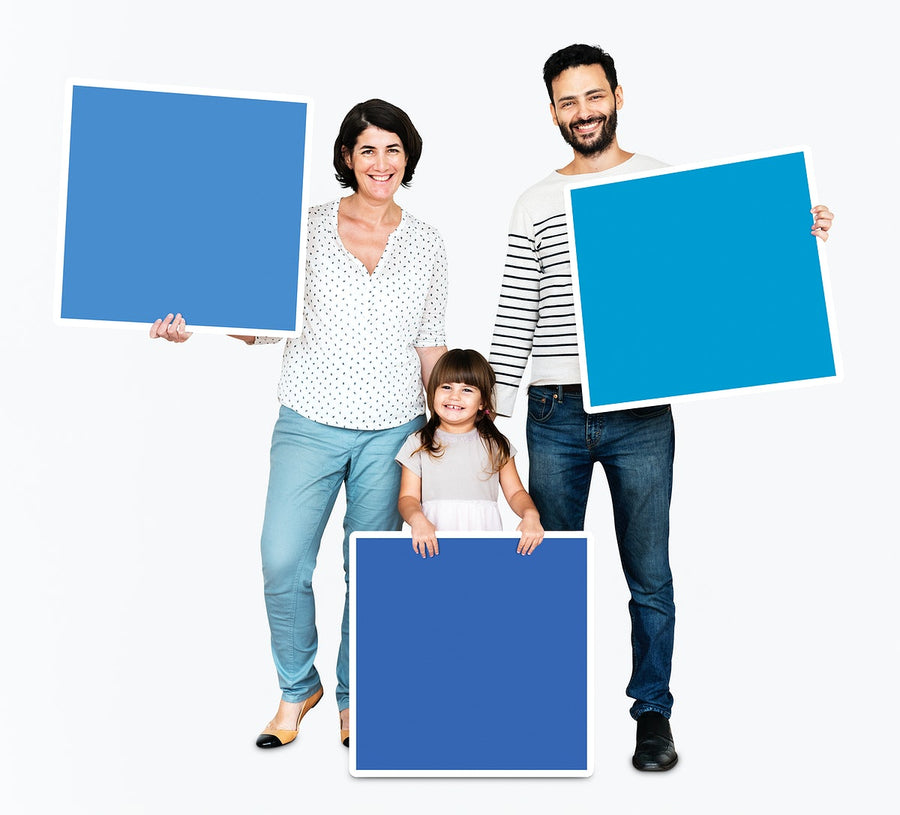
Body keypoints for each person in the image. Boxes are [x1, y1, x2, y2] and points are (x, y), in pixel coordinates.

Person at [488, 43, 834, 772]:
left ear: (617, 94)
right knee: (544, 562)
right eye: (566, 101)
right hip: (552, 412)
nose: (582, 112)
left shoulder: (661, 185)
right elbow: (515, 317)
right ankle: (539, 705)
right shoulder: (531, 202)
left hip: (641, 412)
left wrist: (790, 235)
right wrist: (490, 424)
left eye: (592, 96)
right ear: (551, 110)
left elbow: (720, 273)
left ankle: (652, 713)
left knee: (649, 570)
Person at [150, 99, 448, 750]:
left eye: (393, 149)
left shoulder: (427, 242)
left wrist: (444, 436)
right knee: (282, 560)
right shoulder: (304, 226)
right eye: (367, 149)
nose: (381, 162)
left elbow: (431, 345)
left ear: (408, 156)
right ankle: (296, 687)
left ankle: (353, 698)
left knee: (370, 573)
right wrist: (190, 318)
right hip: (308, 420)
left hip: (395, 431)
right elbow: (258, 324)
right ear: (347, 157)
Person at [395, 348, 543, 557]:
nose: (454, 396)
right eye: (446, 387)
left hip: (485, 545)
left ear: (482, 401)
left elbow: (516, 493)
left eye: (467, 390)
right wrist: (417, 520)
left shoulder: (496, 445)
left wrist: (530, 515)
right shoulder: (418, 443)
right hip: (433, 545)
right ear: (432, 392)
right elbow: (407, 497)